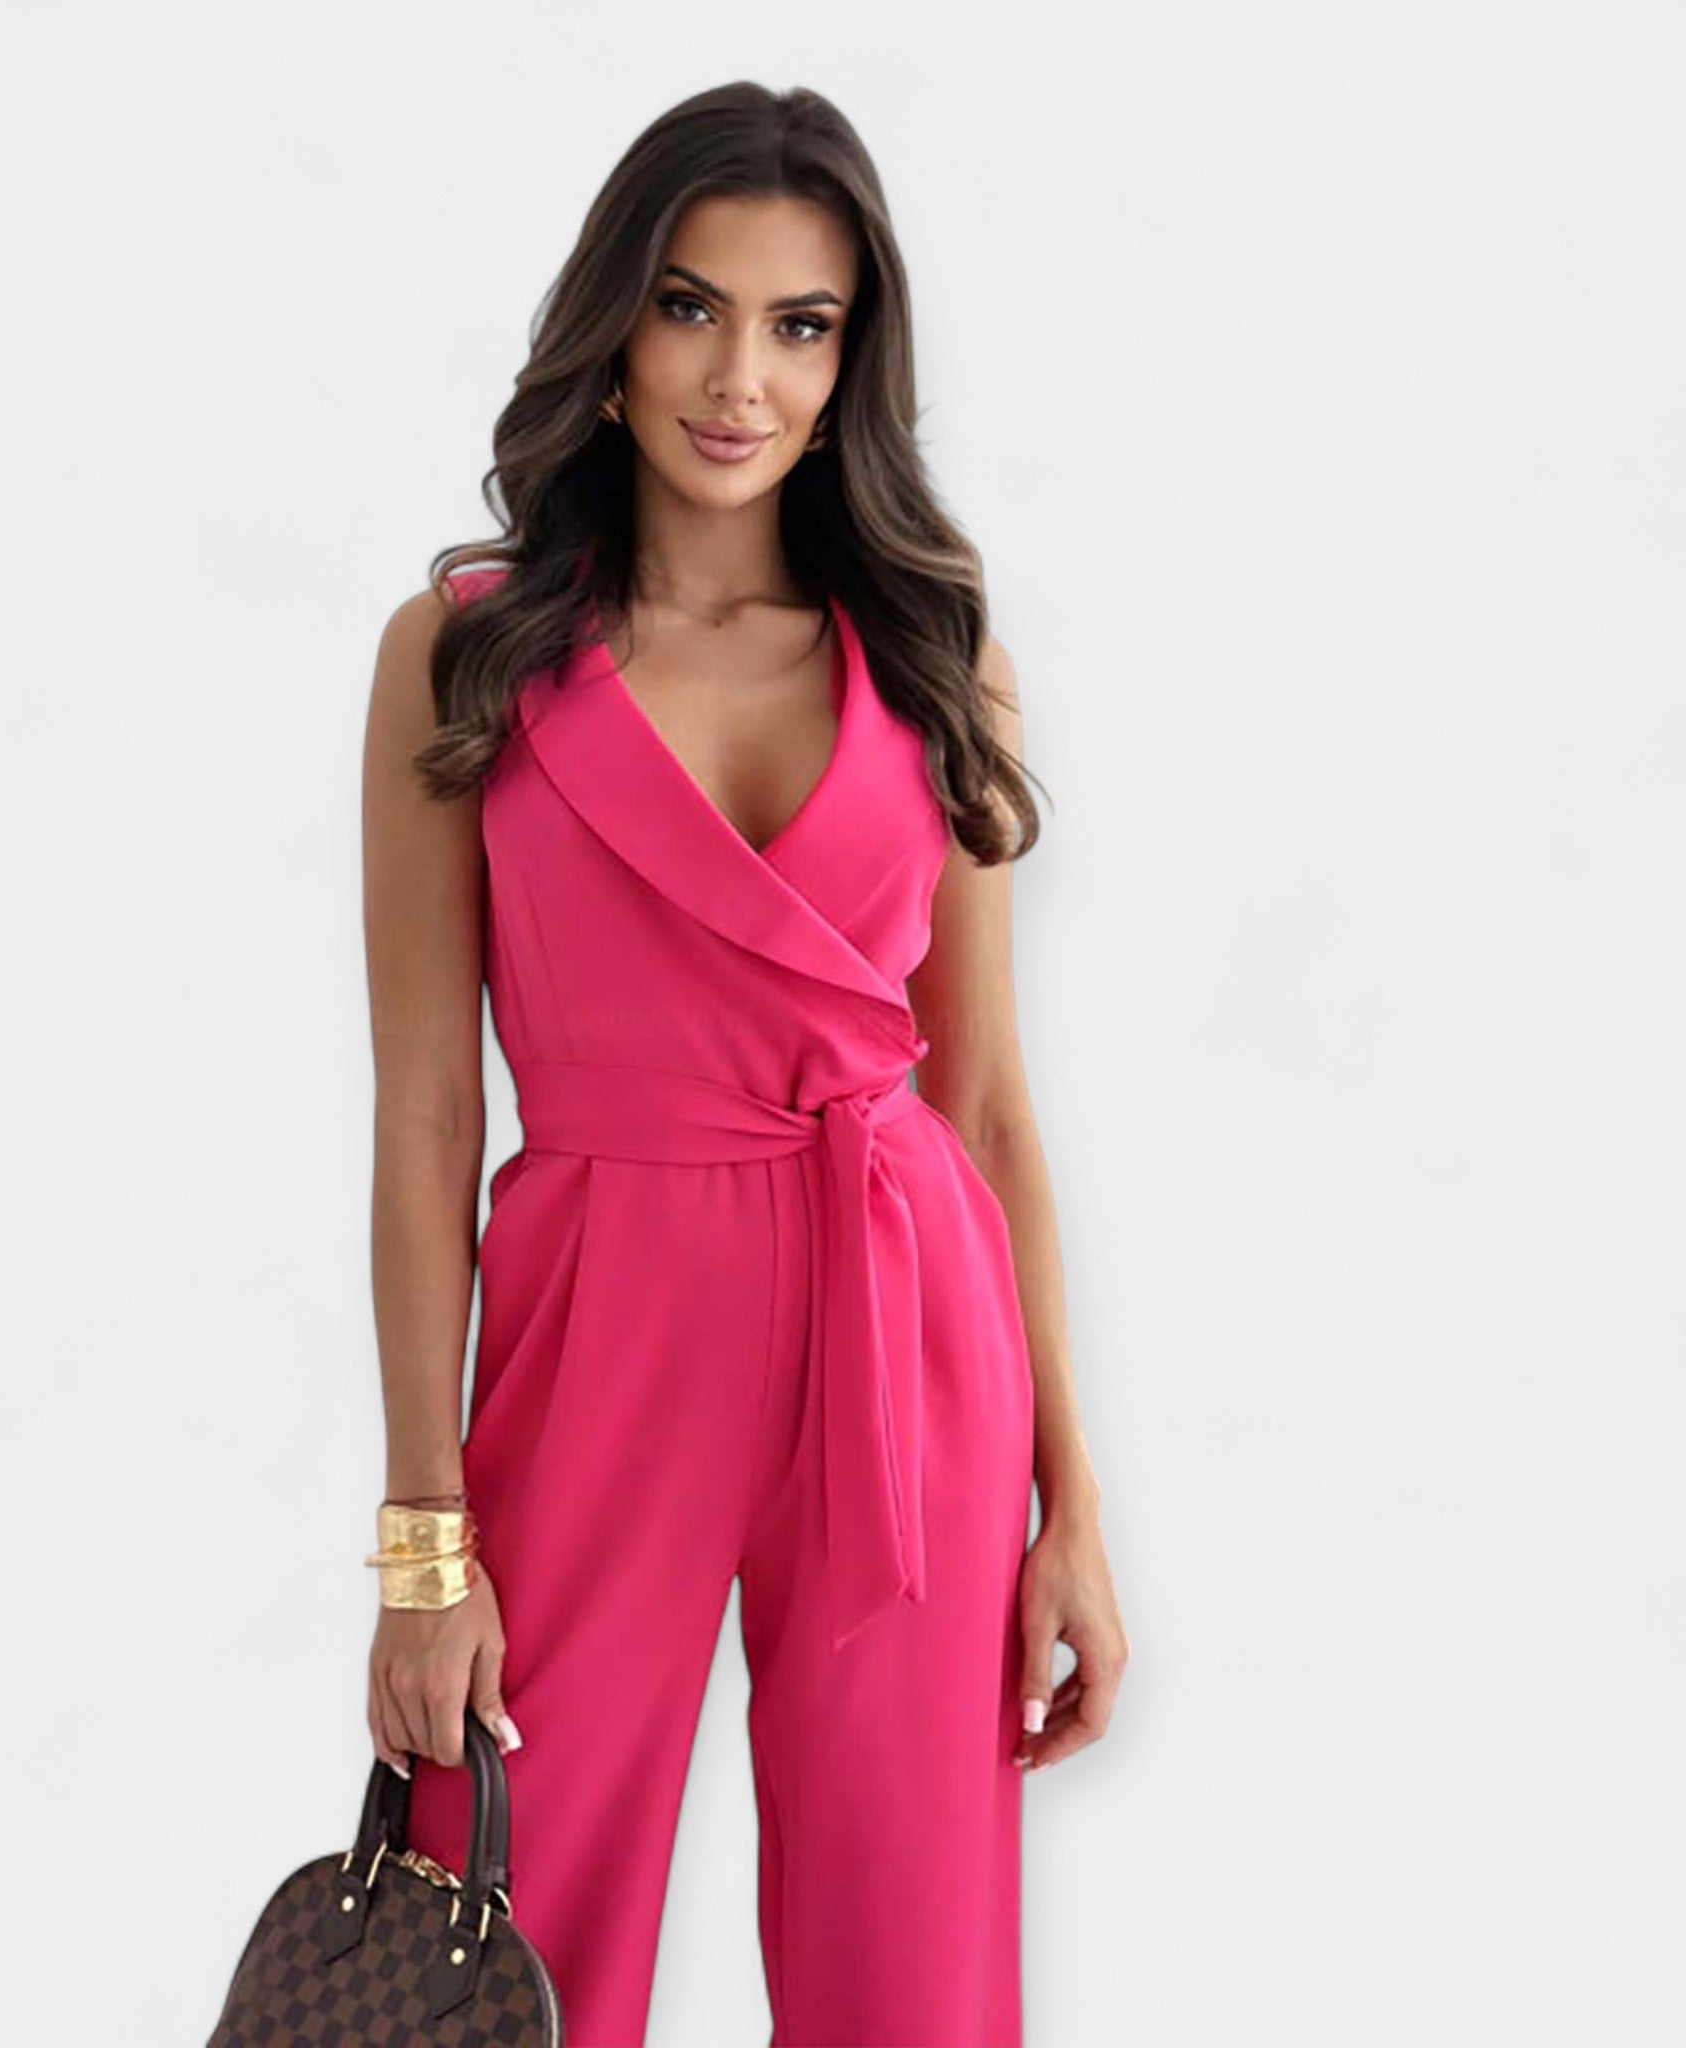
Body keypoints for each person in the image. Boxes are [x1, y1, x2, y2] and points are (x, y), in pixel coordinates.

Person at [357, 80, 1126, 2048]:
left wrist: (1072, 1500)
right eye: (692, 306)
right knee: (505, 1927)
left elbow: (981, 1103)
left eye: (802, 325)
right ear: (613, 323)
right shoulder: (465, 652)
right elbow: (428, 1112)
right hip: (601, 1313)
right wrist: (424, 1546)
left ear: (852, 359)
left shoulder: (934, 652)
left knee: (909, 1967)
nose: (740, 380)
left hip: (903, 1335)